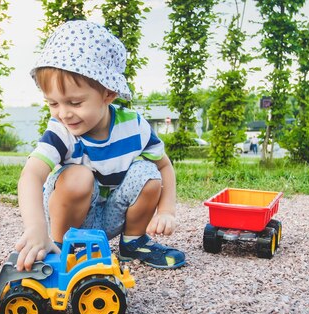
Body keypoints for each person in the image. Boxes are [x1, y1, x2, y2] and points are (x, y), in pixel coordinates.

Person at [15, 20, 186, 271]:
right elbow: (31, 174)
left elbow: (164, 166)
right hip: (73, 218)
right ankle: (64, 247)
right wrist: (36, 228)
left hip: (112, 215)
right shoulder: (61, 132)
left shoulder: (134, 127)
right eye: (53, 103)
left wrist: (167, 210)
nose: (63, 113)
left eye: (74, 102)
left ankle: (133, 242)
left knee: (149, 174)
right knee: (77, 177)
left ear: (108, 94)